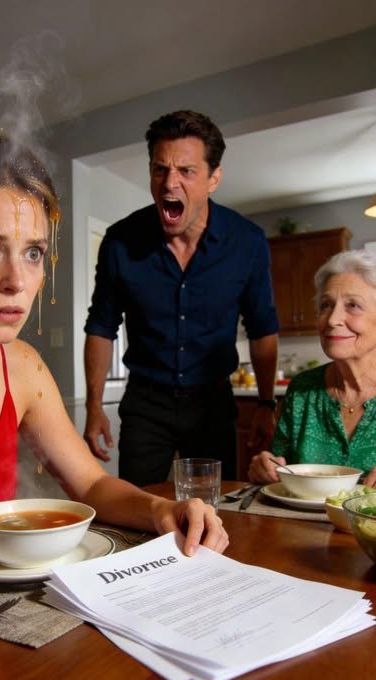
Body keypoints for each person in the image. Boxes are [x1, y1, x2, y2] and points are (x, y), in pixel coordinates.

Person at [0, 108, 229, 582]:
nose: (17, 281)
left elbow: (91, 485)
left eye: (33, 252)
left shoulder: (23, 366)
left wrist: (161, 509)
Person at [83, 110, 279, 486]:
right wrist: (94, 407)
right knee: (137, 505)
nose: (170, 183)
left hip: (213, 403)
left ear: (213, 179)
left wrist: (266, 403)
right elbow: (101, 326)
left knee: (213, 508)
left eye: (186, 171)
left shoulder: (247, 242)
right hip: (145, 403)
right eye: (160, 169)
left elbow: (262, 328)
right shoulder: (120, 241)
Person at [249, 249, 376, 487]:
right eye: (326, 305)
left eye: (353, 305)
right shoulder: (303, 390)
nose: (332, 319)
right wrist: (265, 468)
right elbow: (279, 470)